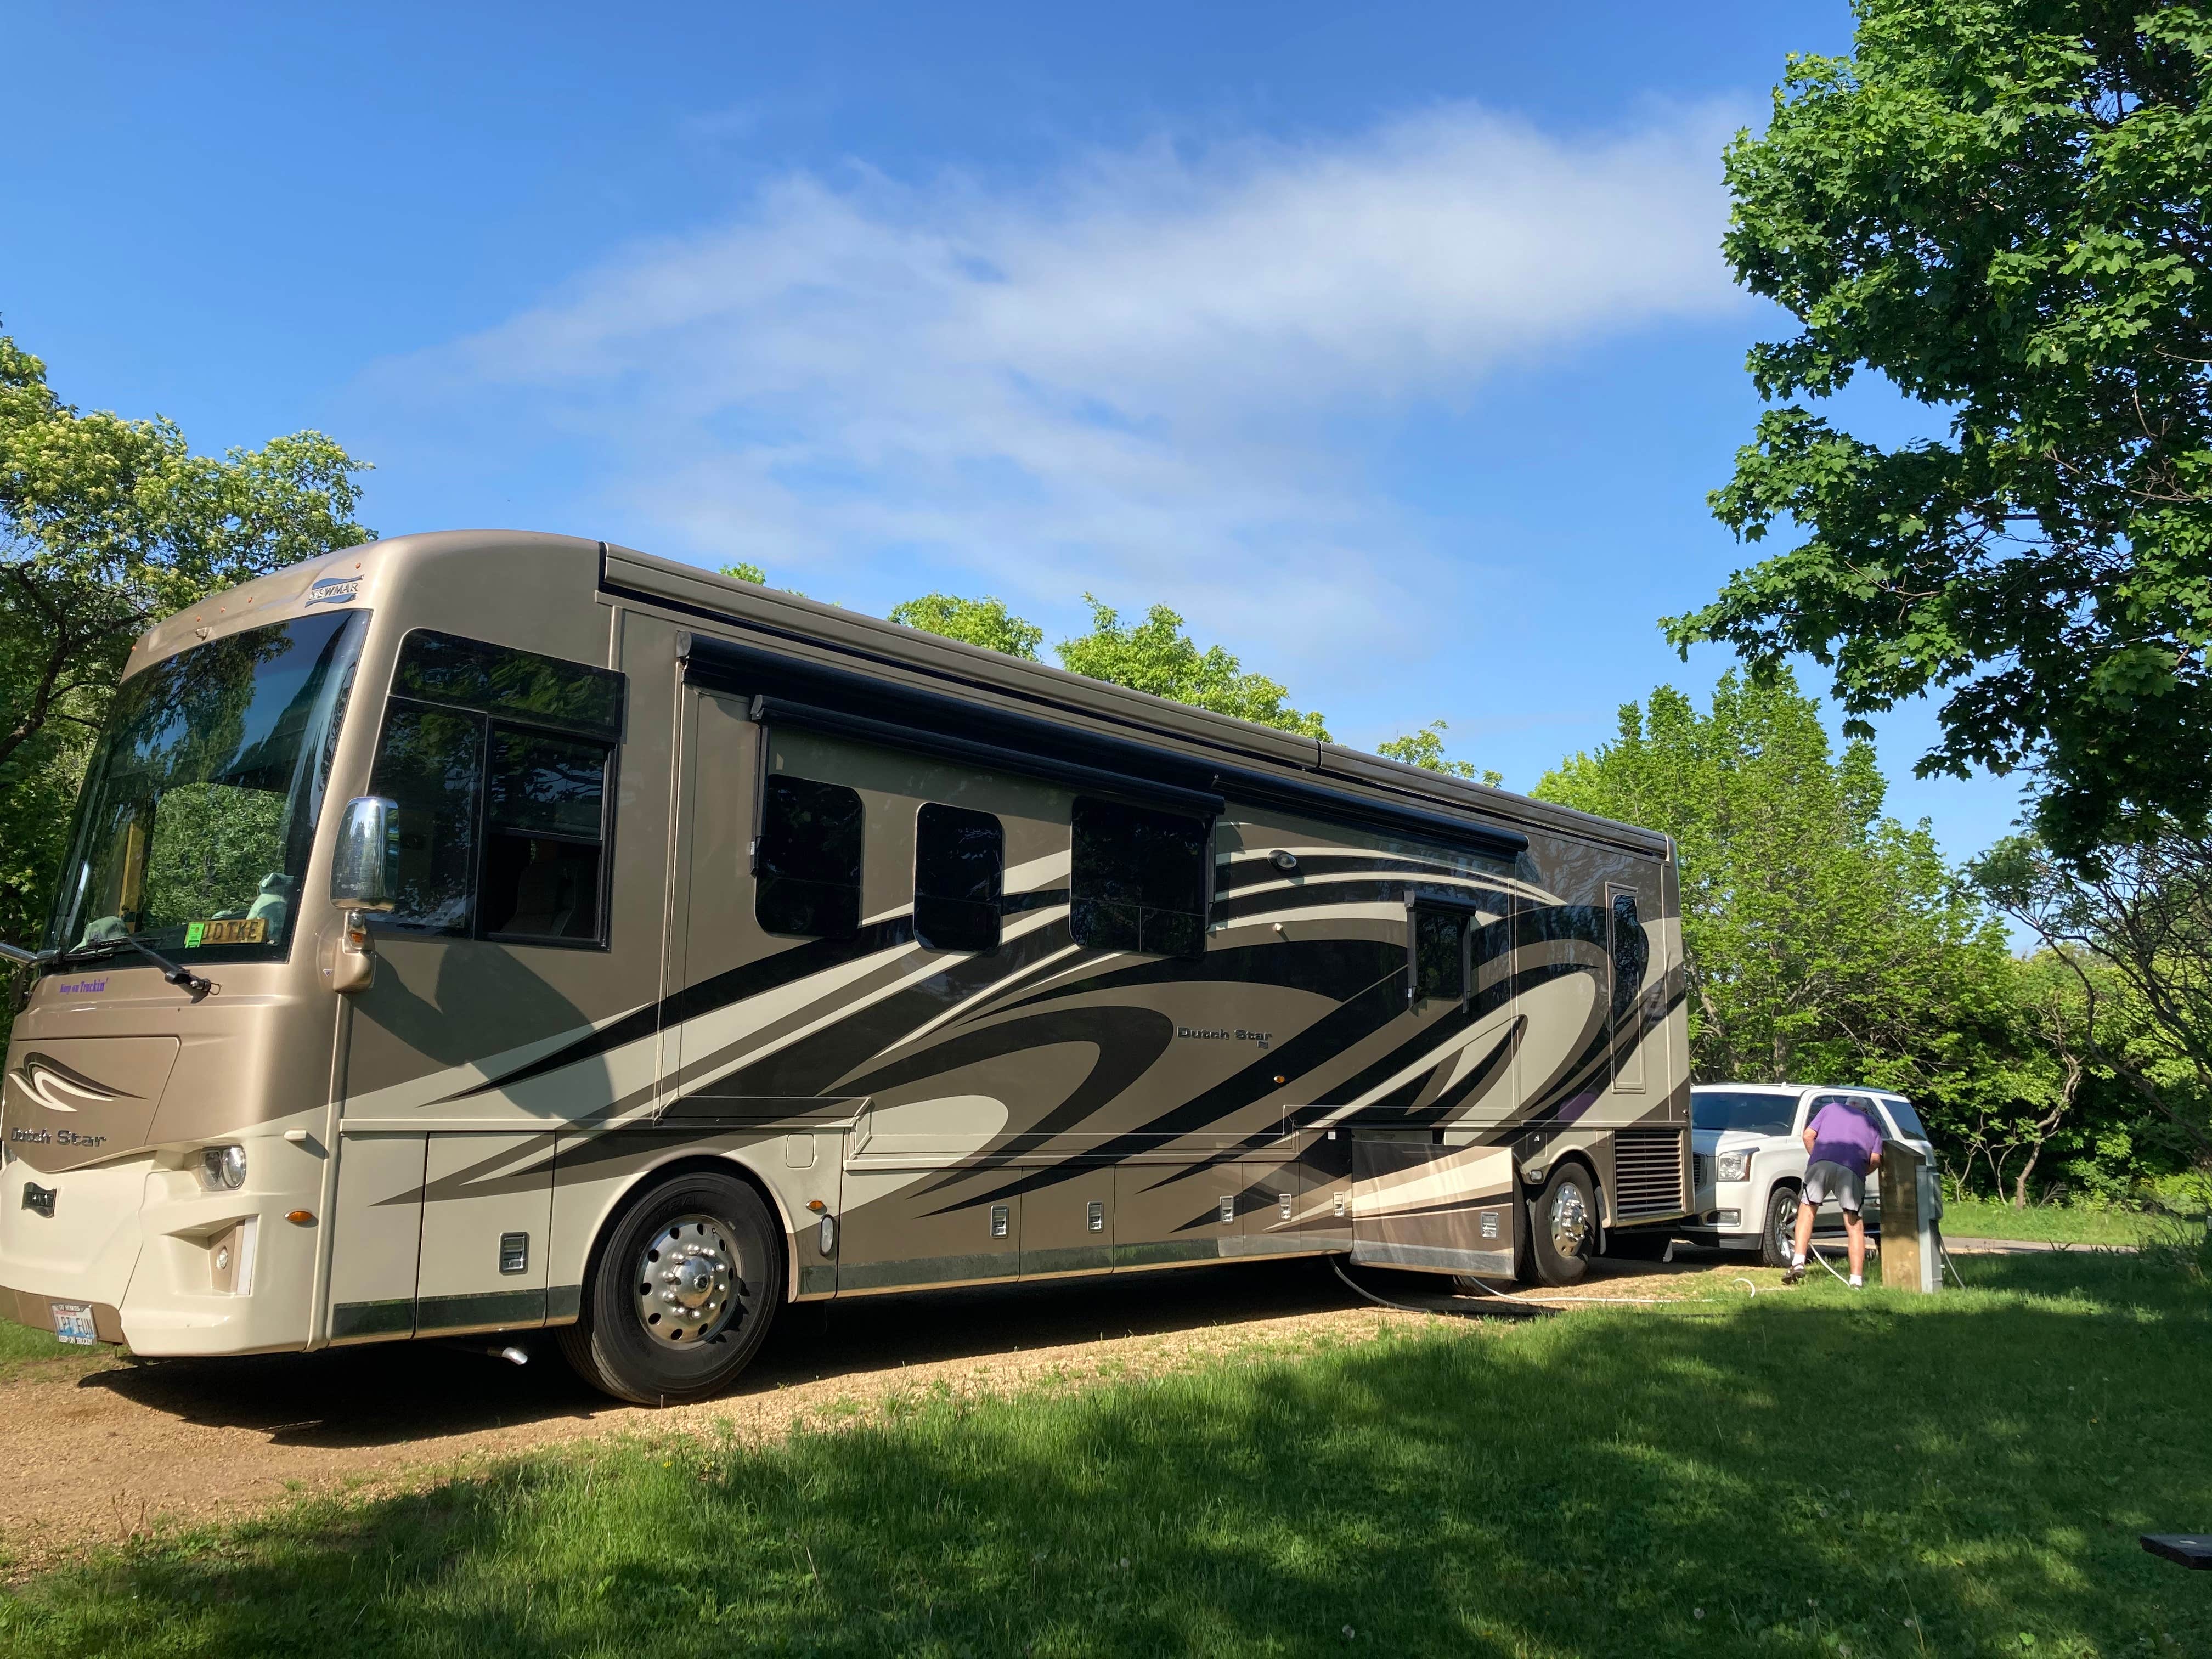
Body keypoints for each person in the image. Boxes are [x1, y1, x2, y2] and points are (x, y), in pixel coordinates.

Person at [1782, 1094, 1885, 1288]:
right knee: (1854, 1224)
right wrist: (1860, 1173)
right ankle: (1856, 1281)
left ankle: (1798, 1262)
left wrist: (1818, 1158)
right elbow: (1875, 1159)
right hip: (1852, 1169)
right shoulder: (1872, 1123)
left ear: (1847, 1105)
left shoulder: (1830, 1109)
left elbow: (1808, 1136)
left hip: (1821, 1163)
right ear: (1864, 1110)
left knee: (1807, 1211)